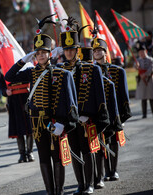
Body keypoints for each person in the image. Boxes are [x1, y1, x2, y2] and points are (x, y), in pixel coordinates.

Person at [5, 16, 79, 195]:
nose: (41, 56)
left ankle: (59, 191)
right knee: (44, 158)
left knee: (58, 157)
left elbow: (68, 102)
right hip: (38, 124)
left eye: (44, 52)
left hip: (56, 122)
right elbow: (9, 77)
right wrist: (23, 61)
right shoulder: (31, 72)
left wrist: (63, 123)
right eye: (38, 53)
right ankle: (50, 191)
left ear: (50, 54)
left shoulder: (61, 73)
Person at [53, 18, 110, 195]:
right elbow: (58, 97)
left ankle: (90, 184)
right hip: (69, 121)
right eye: (67, 50)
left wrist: (92, 116)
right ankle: (80, 184)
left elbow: (99, 96)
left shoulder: (91, 69)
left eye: (72, 50)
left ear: (77, 50)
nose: (69, 53)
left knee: (88, 151)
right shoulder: (59, 70)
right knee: (74, 151)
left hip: (87, 119)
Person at [92, 38, 132, 182]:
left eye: (99, 50)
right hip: (99, 114)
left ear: (105, 51)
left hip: (114, 113)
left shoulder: (117, 71)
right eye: (94, 51)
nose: (97, 53)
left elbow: (124, 96)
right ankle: (102, 173)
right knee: (100, 144)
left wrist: (122, 116)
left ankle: (113, 170)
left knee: (113, 142)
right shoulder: (91, 72)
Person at [0, 74, 34, 163]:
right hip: (14, 101)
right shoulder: (5, 69)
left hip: (27, 99)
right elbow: (2, 87)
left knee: (30, 128)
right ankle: (22, 154)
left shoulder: (26, 67)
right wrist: (5, 92)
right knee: (18, 129)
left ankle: (29, 152)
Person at [135, 43, 153, 118]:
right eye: (140, 52)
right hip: (142, 80)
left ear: (146, 52)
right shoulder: (138, 60)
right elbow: (136, 67)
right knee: (143, 98)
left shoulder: (150, 59)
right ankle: (144, 114)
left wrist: (146, 74)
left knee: (151, 97)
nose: (141, 54)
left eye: (142, 52)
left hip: (150, 79)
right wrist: (136, 66)